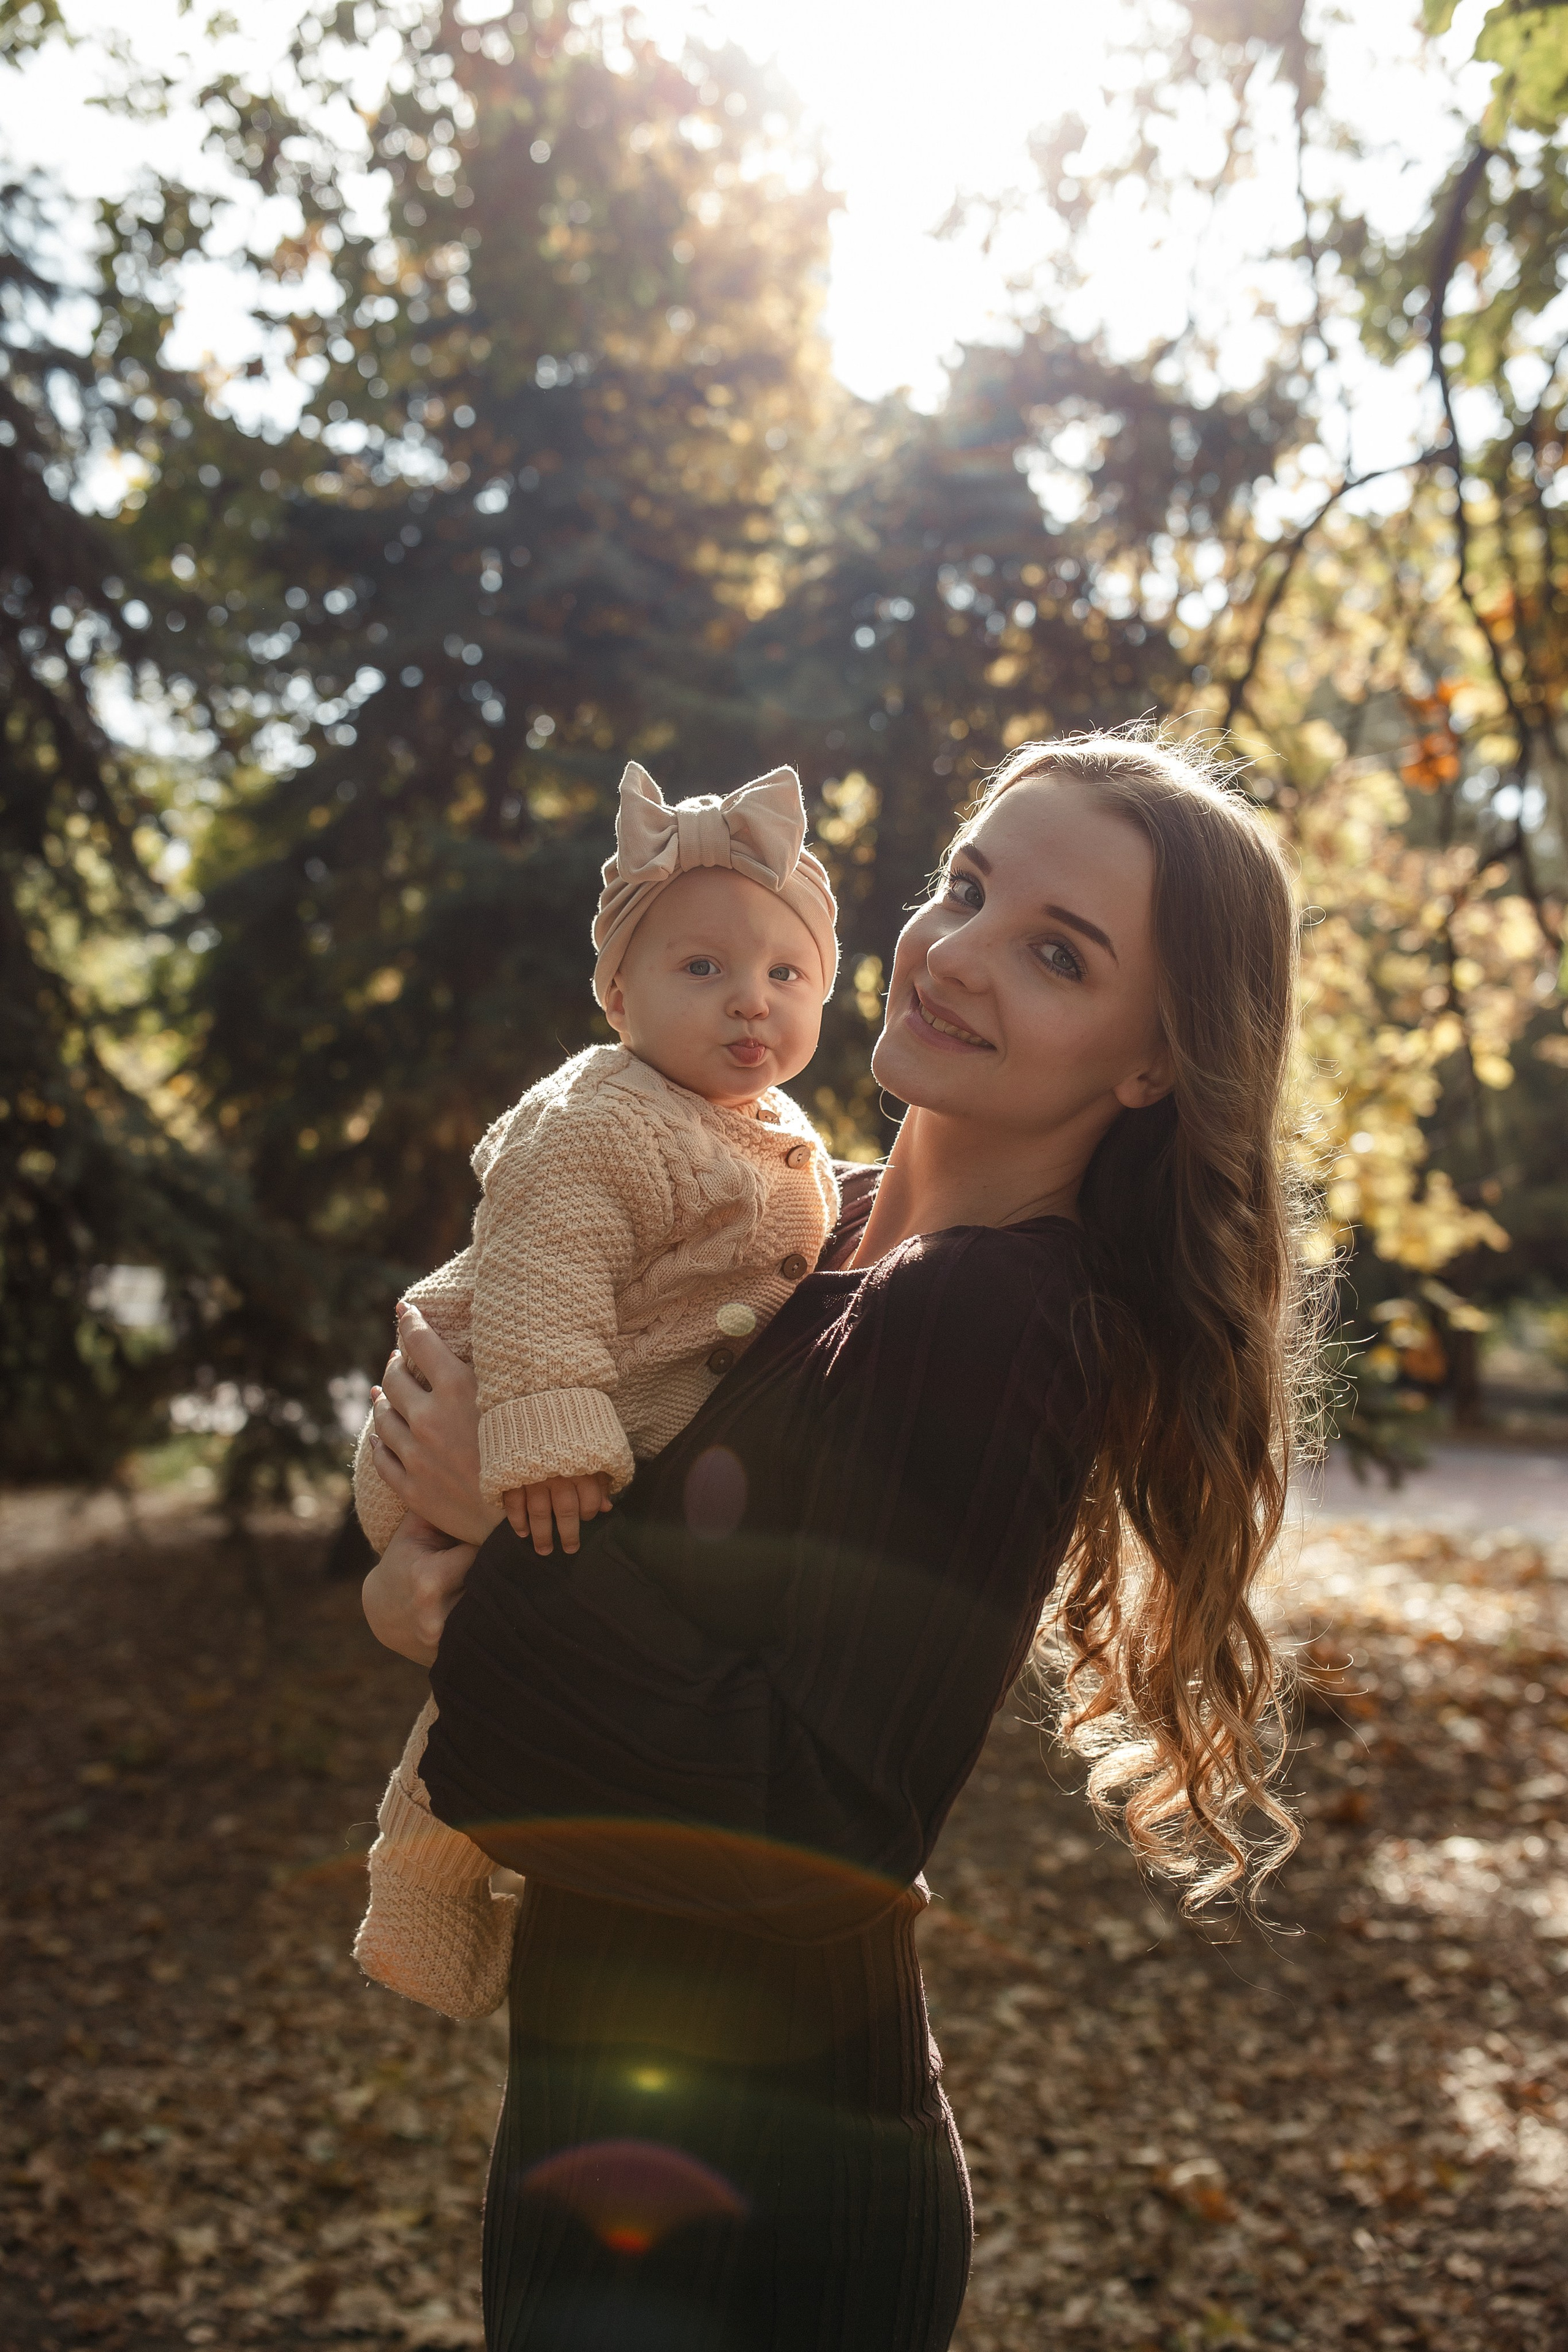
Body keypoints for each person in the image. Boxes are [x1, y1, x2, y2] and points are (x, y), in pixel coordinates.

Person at [361, 732, 1319, 2352]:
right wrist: (439, 1550)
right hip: (616, 2127)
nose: (952, 956)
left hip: (758, 2207)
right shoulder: (812, 1219)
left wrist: (480, 1575)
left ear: (1151, 1061)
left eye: (1057, 954)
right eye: (966, 888)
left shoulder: (994, 1319)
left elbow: (810, 1819)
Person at [352, 759, 841, 2015]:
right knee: (497, 1667)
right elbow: (542, 1272)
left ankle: (457, 1884)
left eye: (784, 975)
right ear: (614, 994)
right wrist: (548, 1433)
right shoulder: (595, 1116)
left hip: (599, 1429)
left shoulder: (775, 1129)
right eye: (702, 970)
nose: (751, 1001)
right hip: (499, 1419)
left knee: (515, 1675)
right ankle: (418, 1888)